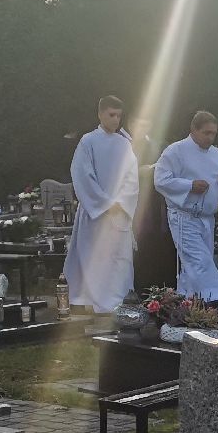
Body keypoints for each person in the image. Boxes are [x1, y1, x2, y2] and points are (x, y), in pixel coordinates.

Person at [65, 97, 139, 313]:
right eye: (111, 115)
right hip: (95, 212)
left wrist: (121, 202)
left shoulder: (125, 144)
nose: (116, 120)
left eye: (119, 116)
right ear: (100, 114)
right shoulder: (88, 141)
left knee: (119, 260)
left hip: (119, 213)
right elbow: (82, 174)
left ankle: (120, 302)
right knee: (95, 258)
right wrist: (104, 203)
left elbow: (132, 179)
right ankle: (96, 303)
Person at [154, 111, 218, 302]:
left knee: (192, 267)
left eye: (214, 133)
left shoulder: (215, 153)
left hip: (207, 219)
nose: (210, 138)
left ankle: (187, 306)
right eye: (206, 133)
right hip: (185, 216)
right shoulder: (175, 151)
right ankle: (213, 304)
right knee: (200, 261)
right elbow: (160, 180)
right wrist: (189, 186)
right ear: (193, 130)